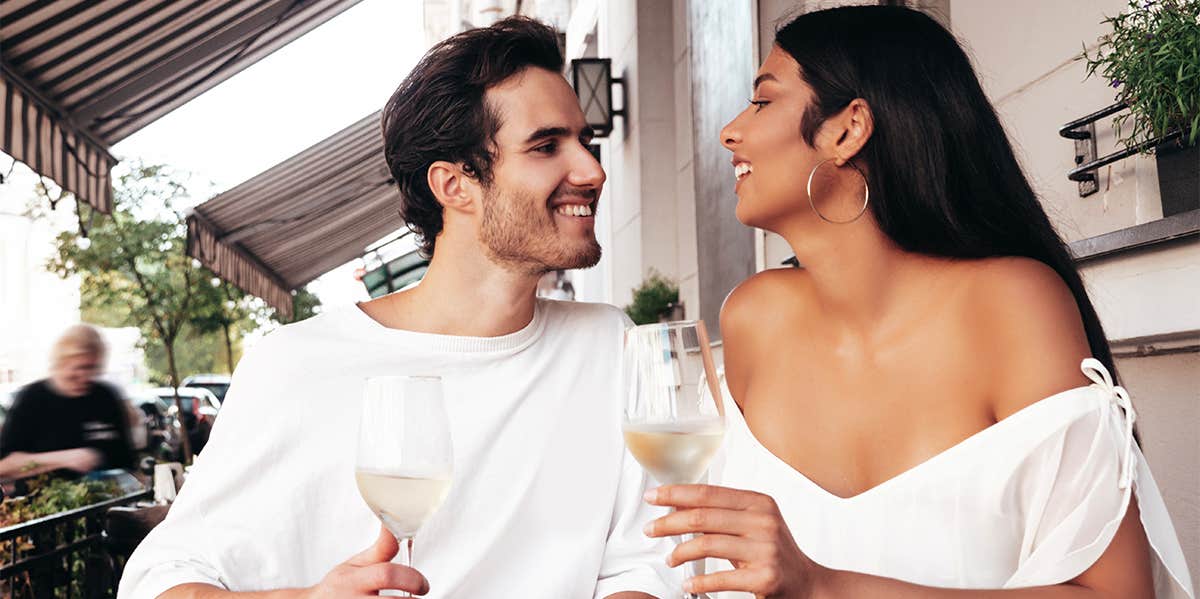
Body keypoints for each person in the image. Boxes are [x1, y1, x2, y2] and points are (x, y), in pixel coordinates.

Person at [640, 6, 1193, 599]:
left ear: (848, 130)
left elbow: (1118, 594)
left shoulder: (1010, 305)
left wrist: (828, 588)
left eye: (763, 101)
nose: (730, 131)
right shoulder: (753, 317)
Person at [119, 17, 677, 599]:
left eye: (585, 142)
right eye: (546, 146)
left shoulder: (610, 346)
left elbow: (652, 561)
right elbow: (162, 580)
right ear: (454, 185)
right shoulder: (299, 364)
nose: (592, 170)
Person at [0, 323, 134, 490]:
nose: (86, 376)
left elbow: (127, 461)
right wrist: (66, 458)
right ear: (61, 362)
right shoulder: (31, 399)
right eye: (79, 368)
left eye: (93, 368)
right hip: (42, 506)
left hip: (105, 503)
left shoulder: (106, 397)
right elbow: (4, 466)